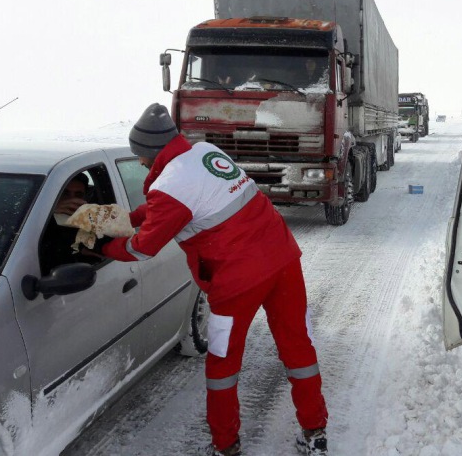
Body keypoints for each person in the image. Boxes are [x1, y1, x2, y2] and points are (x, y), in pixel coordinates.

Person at [99, 103, 328, 456]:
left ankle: (226, 446)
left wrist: (104, 247)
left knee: (222, 363)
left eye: (140, 156)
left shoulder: (169, 187)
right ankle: (315, 433)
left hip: (235, 284)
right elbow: (182, 200)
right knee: (299, 346)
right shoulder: (206, 152)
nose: (140, 162)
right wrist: (134, 216)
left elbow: (145, 248)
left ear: (150, 153)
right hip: (283, 261)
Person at [40, 174, 101, 274]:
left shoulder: (92, 220)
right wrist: (50, 212)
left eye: (78, 195)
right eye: (65, 193)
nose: (71, 200)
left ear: (85, 197)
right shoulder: (42, 219)